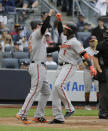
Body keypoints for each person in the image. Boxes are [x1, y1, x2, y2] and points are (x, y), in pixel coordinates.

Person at [49, 13, 97, 124]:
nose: (64, 30)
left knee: (58, 85)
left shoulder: (75, 42)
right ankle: (58, 117)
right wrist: (60, 20)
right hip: (60, 66)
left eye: (67, 29)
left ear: (71, 31)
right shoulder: (65, 39)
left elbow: (85, 55)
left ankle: (70, 108)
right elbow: (60, 29)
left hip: (69, 66)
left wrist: (90, 66)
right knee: (55, 92)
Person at [16, 9, 54, 124]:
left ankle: (38, 115)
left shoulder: (36, 36)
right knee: (34, 91)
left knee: (46, 92)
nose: (43, 26)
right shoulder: (37, 32)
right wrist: (49, 15)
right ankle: (22, 113)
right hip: (37, 65)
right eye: (41, 24)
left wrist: (58, 47)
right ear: (37, 26)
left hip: (38, 65)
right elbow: (45, 27)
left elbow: (46, 49)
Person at [93, 29, 108, 119]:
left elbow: (95, 58)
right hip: (105, 69)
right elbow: (95, 58)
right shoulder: (102, 44)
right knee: (104, 93)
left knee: (104, 92)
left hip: (104, 70)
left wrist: (100, 70)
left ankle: (103, 112)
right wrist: (100, 70)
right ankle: (103, 112)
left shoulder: (101, 43)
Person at [84, 36, 99, 110]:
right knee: (87, 88)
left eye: (94, 41)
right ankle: (87, 104)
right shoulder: (86, 50)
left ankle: (98, 104)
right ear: (89, 42)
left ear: (96, 41)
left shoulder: (99, 50)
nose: (92, 42)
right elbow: (84, 61)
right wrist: (90, 66)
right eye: (91, 41)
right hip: (88, 70)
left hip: (97, 70)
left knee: (98, 88)